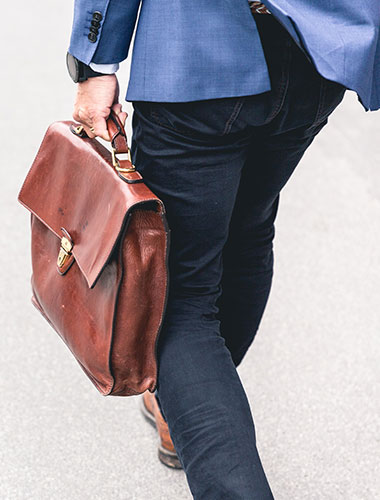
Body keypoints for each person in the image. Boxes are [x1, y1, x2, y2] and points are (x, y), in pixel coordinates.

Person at [66, 1, 380, 498]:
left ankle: (190, 401)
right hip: (317, 55)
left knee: (180, 299)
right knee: (249, 227)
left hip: (197, 54)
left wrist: (97, 62)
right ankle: (188, 403)